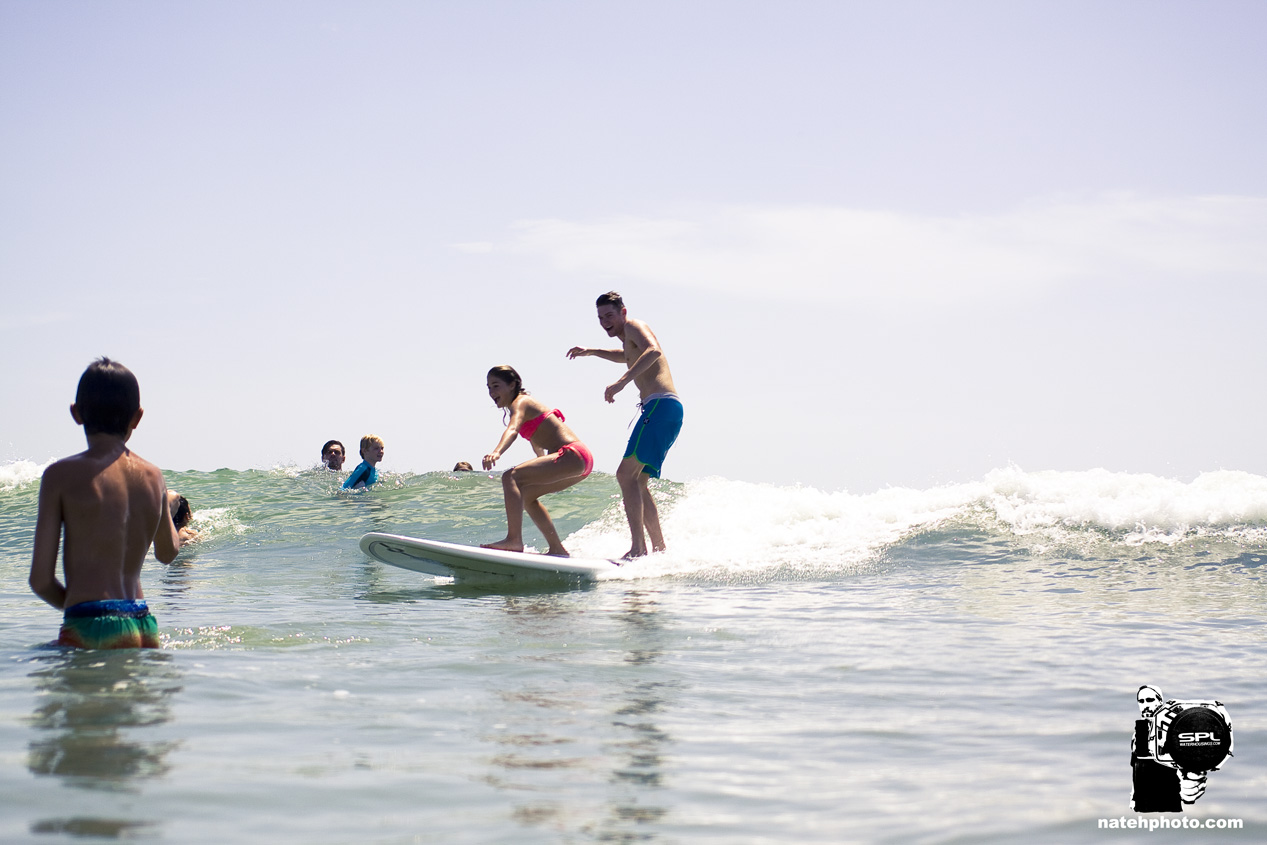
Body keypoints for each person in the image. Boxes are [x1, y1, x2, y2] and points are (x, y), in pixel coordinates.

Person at [28, 357, 181, 649]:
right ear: (137, 417)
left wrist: (78, 610)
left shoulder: (59, 476)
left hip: (89, 620)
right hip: (143, 621)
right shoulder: (153, 477)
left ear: (76, 413)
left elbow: (41, 580)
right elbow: (167, 553)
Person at [567, 291, 683, 559]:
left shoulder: (634, 325)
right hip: (667, 409)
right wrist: (591, 351)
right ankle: (660, 550)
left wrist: (622, 381)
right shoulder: (629, 340)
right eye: (600, 318)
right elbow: (626, 355)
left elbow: (654, 351)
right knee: (638, 481)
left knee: (624, 475)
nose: (605, 322)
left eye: (609, 315)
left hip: (659, 407)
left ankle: (638, 549)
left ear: (623, 312)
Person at [481, 366, 595, 557]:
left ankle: (514, 540)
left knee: (510, 476)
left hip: (572, 454)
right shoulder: (525, 406)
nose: (492, 393)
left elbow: (513, 430)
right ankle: (557, 549)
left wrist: (496, 452)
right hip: (580, 460)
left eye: (496, 386)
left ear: (512, 385)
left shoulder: (521, 402)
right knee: (526, 496)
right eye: (488, 388)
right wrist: (542, 464)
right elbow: (538, 443)